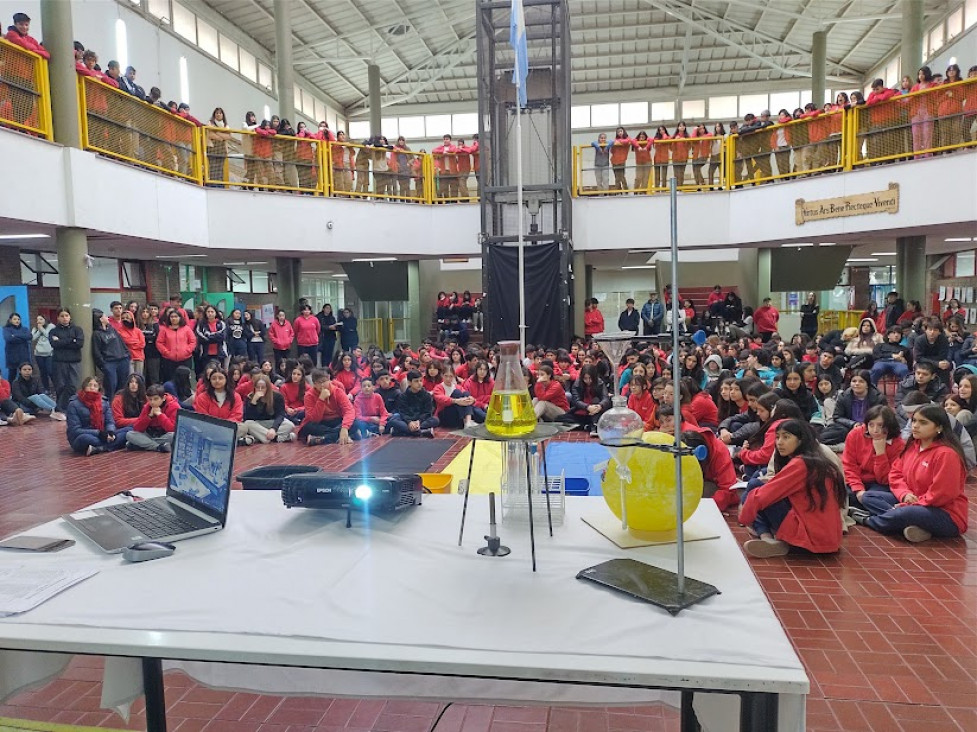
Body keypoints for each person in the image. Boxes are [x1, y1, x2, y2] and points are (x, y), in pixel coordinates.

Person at [855, 405, 968, 542]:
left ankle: (867, 520)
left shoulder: (947, 454)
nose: (915, 426)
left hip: (945, 513)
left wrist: (910, 505)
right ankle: (913, 526)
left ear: (939, 427)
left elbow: (941, 494)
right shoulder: (912, 446)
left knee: (905, 513)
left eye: (923, 422)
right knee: (869, 496)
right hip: (914, 501)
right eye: (914, 421)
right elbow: (895, 474)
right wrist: (904, 495)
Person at [739, 419, 846, 557]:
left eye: (786, 437)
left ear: (800, 440)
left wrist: (744, 516)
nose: (779, 442)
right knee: (759, 489)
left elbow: (763, 496)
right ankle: (770, 539)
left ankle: (766, 537)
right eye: (777, 437)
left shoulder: (801, 463)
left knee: (755, 489)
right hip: (828, 539)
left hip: (809, 539)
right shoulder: (816, 459)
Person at [843, 405, 905, 512]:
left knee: (872, 498)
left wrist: (880, 453)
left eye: (880, 425)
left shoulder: (898, 444)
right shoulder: (855, 434)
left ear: (889, 426)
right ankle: (871, 512)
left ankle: (889, 515)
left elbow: (886, 479)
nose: (875, 430)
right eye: (871, 425)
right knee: (840, 494)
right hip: (857, 480)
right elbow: (849, 465)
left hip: (880, 484)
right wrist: (858, 489)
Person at [66, 376, 127, 456]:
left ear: (99, 388)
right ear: (84, 387)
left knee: (128, 431)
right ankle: (111, 446)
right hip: (82, 436)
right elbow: (75, 429)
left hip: (104, 434)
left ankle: (99, 448)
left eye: (95, 386)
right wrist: (99, 433)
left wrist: (110, 432)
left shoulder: (104, 402)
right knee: (86, 439)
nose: (92, 388)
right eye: (89, 385)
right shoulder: (74, 404)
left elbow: (110, 421)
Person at [299, 369, 357, 445]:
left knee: (356, 423)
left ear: (329, 379)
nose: (322, 385)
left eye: (324, 381)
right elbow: (314, 419)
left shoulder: (338, 392)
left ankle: (323, 439)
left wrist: (345, 427)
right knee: (307, 427)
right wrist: (321, 399)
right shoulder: (309, 395)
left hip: (337, 420)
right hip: (320, 423)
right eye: (318, 383)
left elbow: (349, 410)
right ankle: (340, 436)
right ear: (314, 384)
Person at [194, 366, 248, 442]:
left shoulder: (235, 396)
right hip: (209, 428)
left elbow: (237, 415)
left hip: (228, 427)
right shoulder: (202, 397)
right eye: (214, 378)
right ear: (210, 381)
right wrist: (216, 427)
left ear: (226, 379)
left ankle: (217, 440)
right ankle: (229, 440)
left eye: (220, 378)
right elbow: (202, 416)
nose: (217, 381)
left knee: (243, 428)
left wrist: (224, 426)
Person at [242, 373, 295, 444]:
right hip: (258, 424)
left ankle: (260, 438)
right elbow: (247, 418)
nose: (260, 389)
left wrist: (273, 429)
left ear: (268, 387)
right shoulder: (250, 397)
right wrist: (253, 402)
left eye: (263, 387)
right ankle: (277, 438)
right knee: (247, 424)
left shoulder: (277, 396)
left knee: (290, 425)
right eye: (258, 387)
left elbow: (280, 415)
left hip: (272, 422)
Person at [125, 384, 178, 452]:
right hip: (150, 434)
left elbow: (172, 429)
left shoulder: (174, 406)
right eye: (150, 399)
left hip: (165, 435)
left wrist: (160, 415)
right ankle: (158, 447)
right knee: (129, 434)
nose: (152, 402)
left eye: (156, 399)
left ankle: (142, 444)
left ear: (164, 398)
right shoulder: (147, 407)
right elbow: (137, 428)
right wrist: (149, 416)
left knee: (174, 435)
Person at [89, 309, 129, 398]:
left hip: (122, 359)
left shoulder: (112, 329)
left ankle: (120, 404)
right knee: (111, 385)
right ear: (100, 319)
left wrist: (127, 354)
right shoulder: (97, 334)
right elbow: (97, 351)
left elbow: (121, 342)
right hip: (110, 362)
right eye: (104, 316)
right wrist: (103, 365)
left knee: (123, 385)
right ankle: (110, 406)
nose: (107, 317)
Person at [389, 371, 439, 437]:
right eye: (416, 381)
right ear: (409, 382)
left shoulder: (426, 395)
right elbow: (403, 412)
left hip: (421, 420)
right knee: (393, 420)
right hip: (407, 420)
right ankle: (422, 432)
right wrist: (409, 422)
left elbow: (427, 412)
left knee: (435, 420)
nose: (419, 383)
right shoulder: (403, 396)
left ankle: (401, 432)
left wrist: (419, 421)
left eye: (421, 381)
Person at [156, 308, 196, 384]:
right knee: (170, 380)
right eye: (172, 317)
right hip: (169, 360)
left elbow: (193, 341)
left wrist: (187, 351)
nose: (174, 319)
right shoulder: (164, 330)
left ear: (180, 318)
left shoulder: (186, 329)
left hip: (185, 359)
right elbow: (159, 343)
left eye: (176, 316)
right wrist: (167, 352)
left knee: (184, 380)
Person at [569, 364, 611, 436]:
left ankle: (594, 426)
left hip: (597, 409)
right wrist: (587, 407)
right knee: (562, 419)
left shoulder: (600, 383)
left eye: (590, 378)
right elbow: (576, 401)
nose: (588, 381)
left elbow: (605, 398)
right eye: (585, 378)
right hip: (582, 409)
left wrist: (600, 406)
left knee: (596, 400)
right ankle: (587, 427)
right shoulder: (577, 384)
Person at [432, 364, 475, 428]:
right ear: (442, 375)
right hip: (445, 414)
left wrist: (472, 399)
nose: (448, 379)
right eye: (446, 376)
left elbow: (466, 396)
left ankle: (468, 421)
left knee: (466, 393)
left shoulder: (457, 386)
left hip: (457, 414)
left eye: (451, 376)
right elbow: (441, 399)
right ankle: (466, 421)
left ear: (454, 376)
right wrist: (456, 401)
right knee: (457, 392)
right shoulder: (438, 388)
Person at [2, 313, 30, 381]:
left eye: (18, 319)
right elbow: (8, 338)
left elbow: (29, 336)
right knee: (12, 375)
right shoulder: (6, 329)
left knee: (24, 375)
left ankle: (24, 391)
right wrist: (22, 337)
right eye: (15, 319)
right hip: (12, 356)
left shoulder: (25, 329)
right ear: (10, 320)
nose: (17, 321)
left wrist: (15, 335)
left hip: (23, 355)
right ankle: (10, 390)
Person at [30, 315, 54, 393]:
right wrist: (38, 330)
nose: (39, 321)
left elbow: (48, 336)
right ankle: (47, 389)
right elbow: (33, 338)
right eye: (37, 320)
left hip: (49, 353)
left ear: (45, 319)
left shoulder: (51, 326)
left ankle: (56, 387)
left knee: (50, 371)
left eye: (41, 319)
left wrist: (42, 329)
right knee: (43, 372)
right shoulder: (35, 328)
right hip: (38, 353)